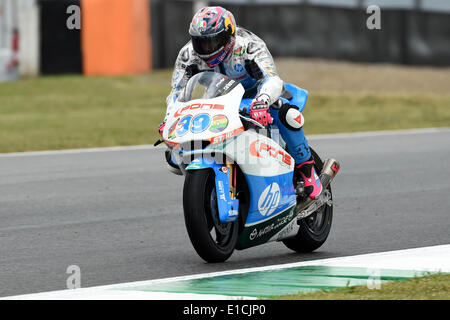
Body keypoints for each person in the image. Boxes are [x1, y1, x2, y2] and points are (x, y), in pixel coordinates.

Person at [159, 6, 322, 200]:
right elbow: (177, 92)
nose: (206, 49)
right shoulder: (188, 55)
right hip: (218, 97)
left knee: (286, 114)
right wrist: (170, 118)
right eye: (200, 42)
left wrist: (262, 101)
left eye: (212, 42)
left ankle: (307, 170)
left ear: (229, 36)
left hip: (257, 96)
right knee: (176, 156)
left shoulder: (249, 46)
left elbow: (272, 79)